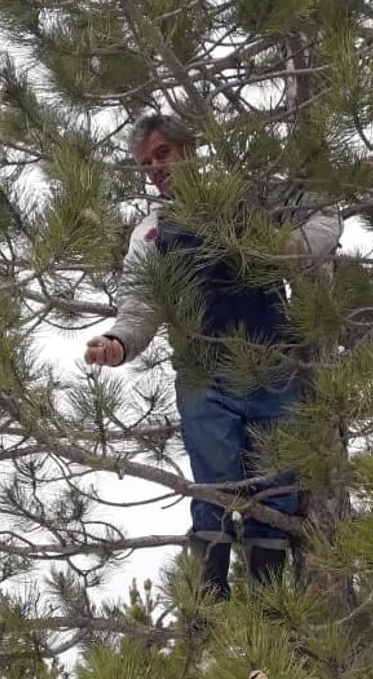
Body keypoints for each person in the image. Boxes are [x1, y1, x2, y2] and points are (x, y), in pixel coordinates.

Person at [85, 113, 342, 598]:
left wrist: (291, 249)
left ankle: (269, 614)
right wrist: (118, 343)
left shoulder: (247, 196)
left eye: (163, 154)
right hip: (204, 380)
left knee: (276, 491)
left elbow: (324, 214)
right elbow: (140, 303)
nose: (155, 168)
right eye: (145, 163)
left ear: (190, 148)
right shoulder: (152, 233)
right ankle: (208, 614)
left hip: (273, 366)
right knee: (214, 492)